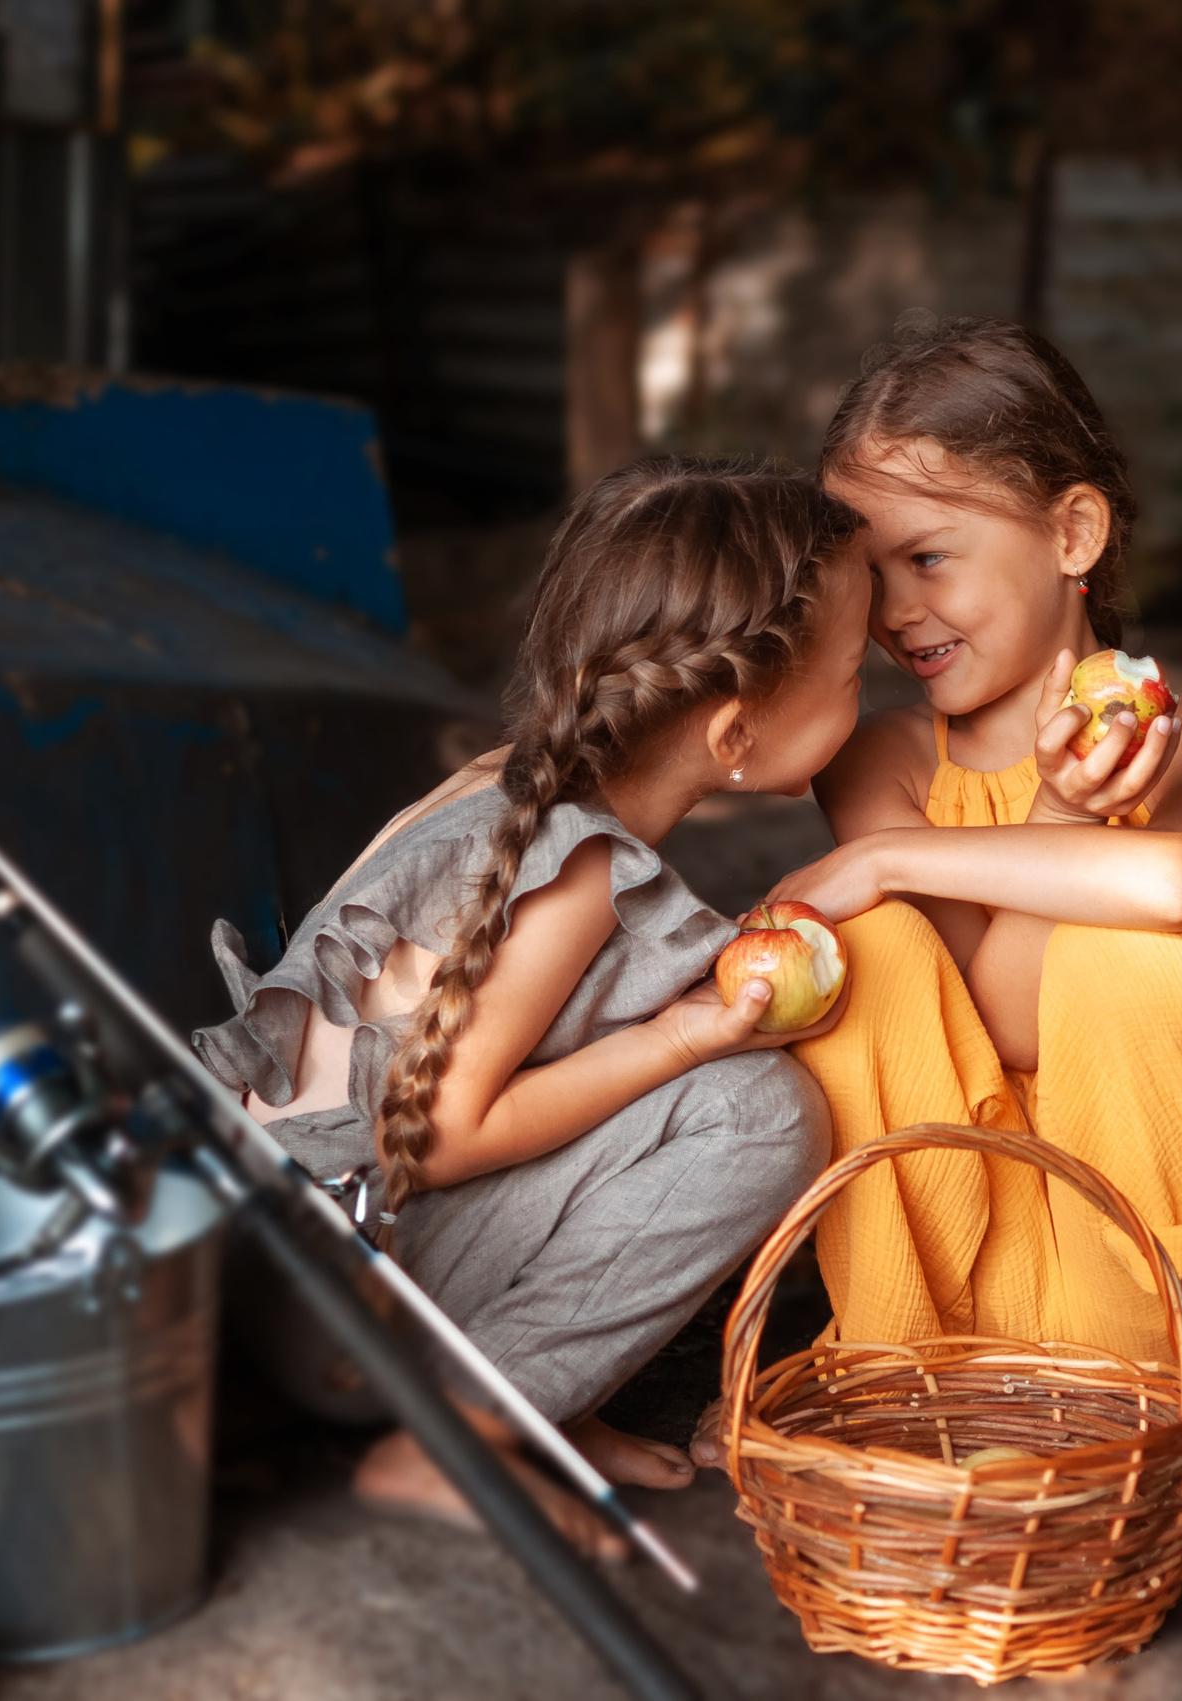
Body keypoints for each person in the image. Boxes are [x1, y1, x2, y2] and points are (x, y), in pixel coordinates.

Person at [737, 317, 1182, 1463]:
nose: (896, 612)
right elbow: (996, 1017)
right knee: (875, 963)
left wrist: (885, 861)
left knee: (1128, 956)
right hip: (968, 1279)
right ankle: (886, 1364)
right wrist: (1038, 830)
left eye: (927, 557)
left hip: (1154, 1270)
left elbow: (1168, 881)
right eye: (868, 577)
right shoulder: (888, 763)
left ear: (1071, 532)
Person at [194, 459, 871, 1555]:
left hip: (275, 1273)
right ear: (734, 736)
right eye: (850, 675)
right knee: (758, 1115)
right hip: (332, 1309)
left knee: (710, 1082)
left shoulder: (512, 786)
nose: (864, 697)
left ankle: (544, 1397)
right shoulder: (572, 868)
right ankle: (454, 1435)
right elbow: (449, 1131)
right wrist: (683, 1031)